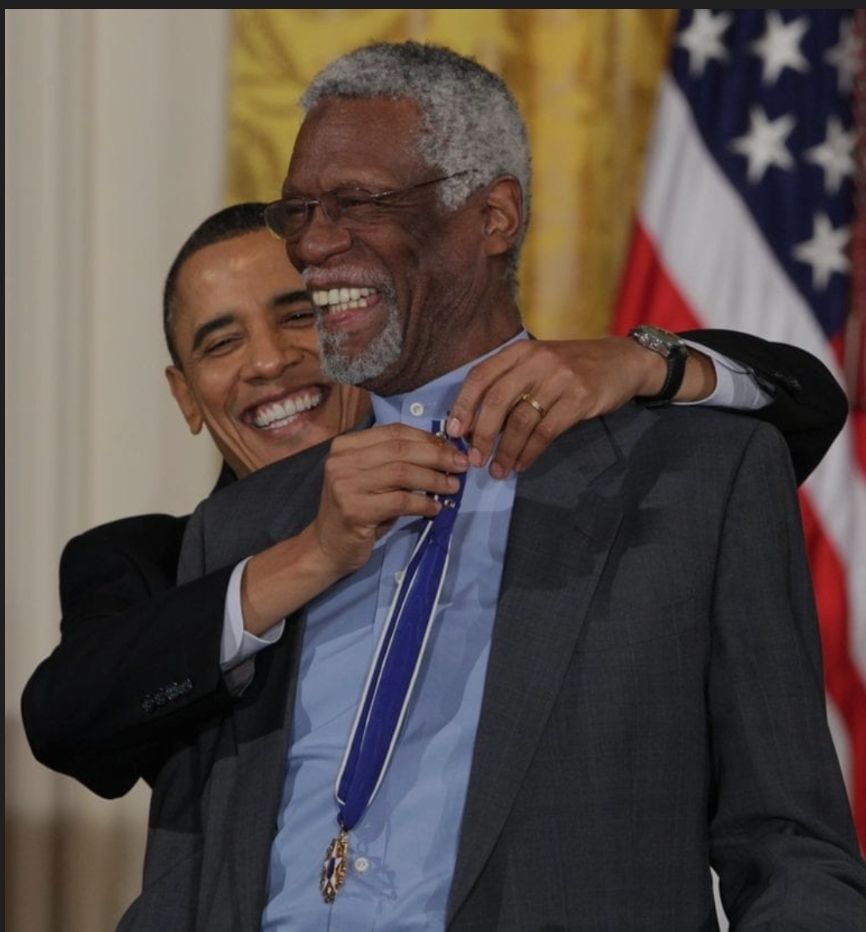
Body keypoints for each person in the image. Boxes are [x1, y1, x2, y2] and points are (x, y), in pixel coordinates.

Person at [26, 102, 862, 924]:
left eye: (299, 315)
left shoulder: (583, 466)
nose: (270, 362)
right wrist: (310, 555)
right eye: (221, 343)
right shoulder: (188, 552)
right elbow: (72, 718)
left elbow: (802, 409)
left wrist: (647, 360)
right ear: (185, 395)